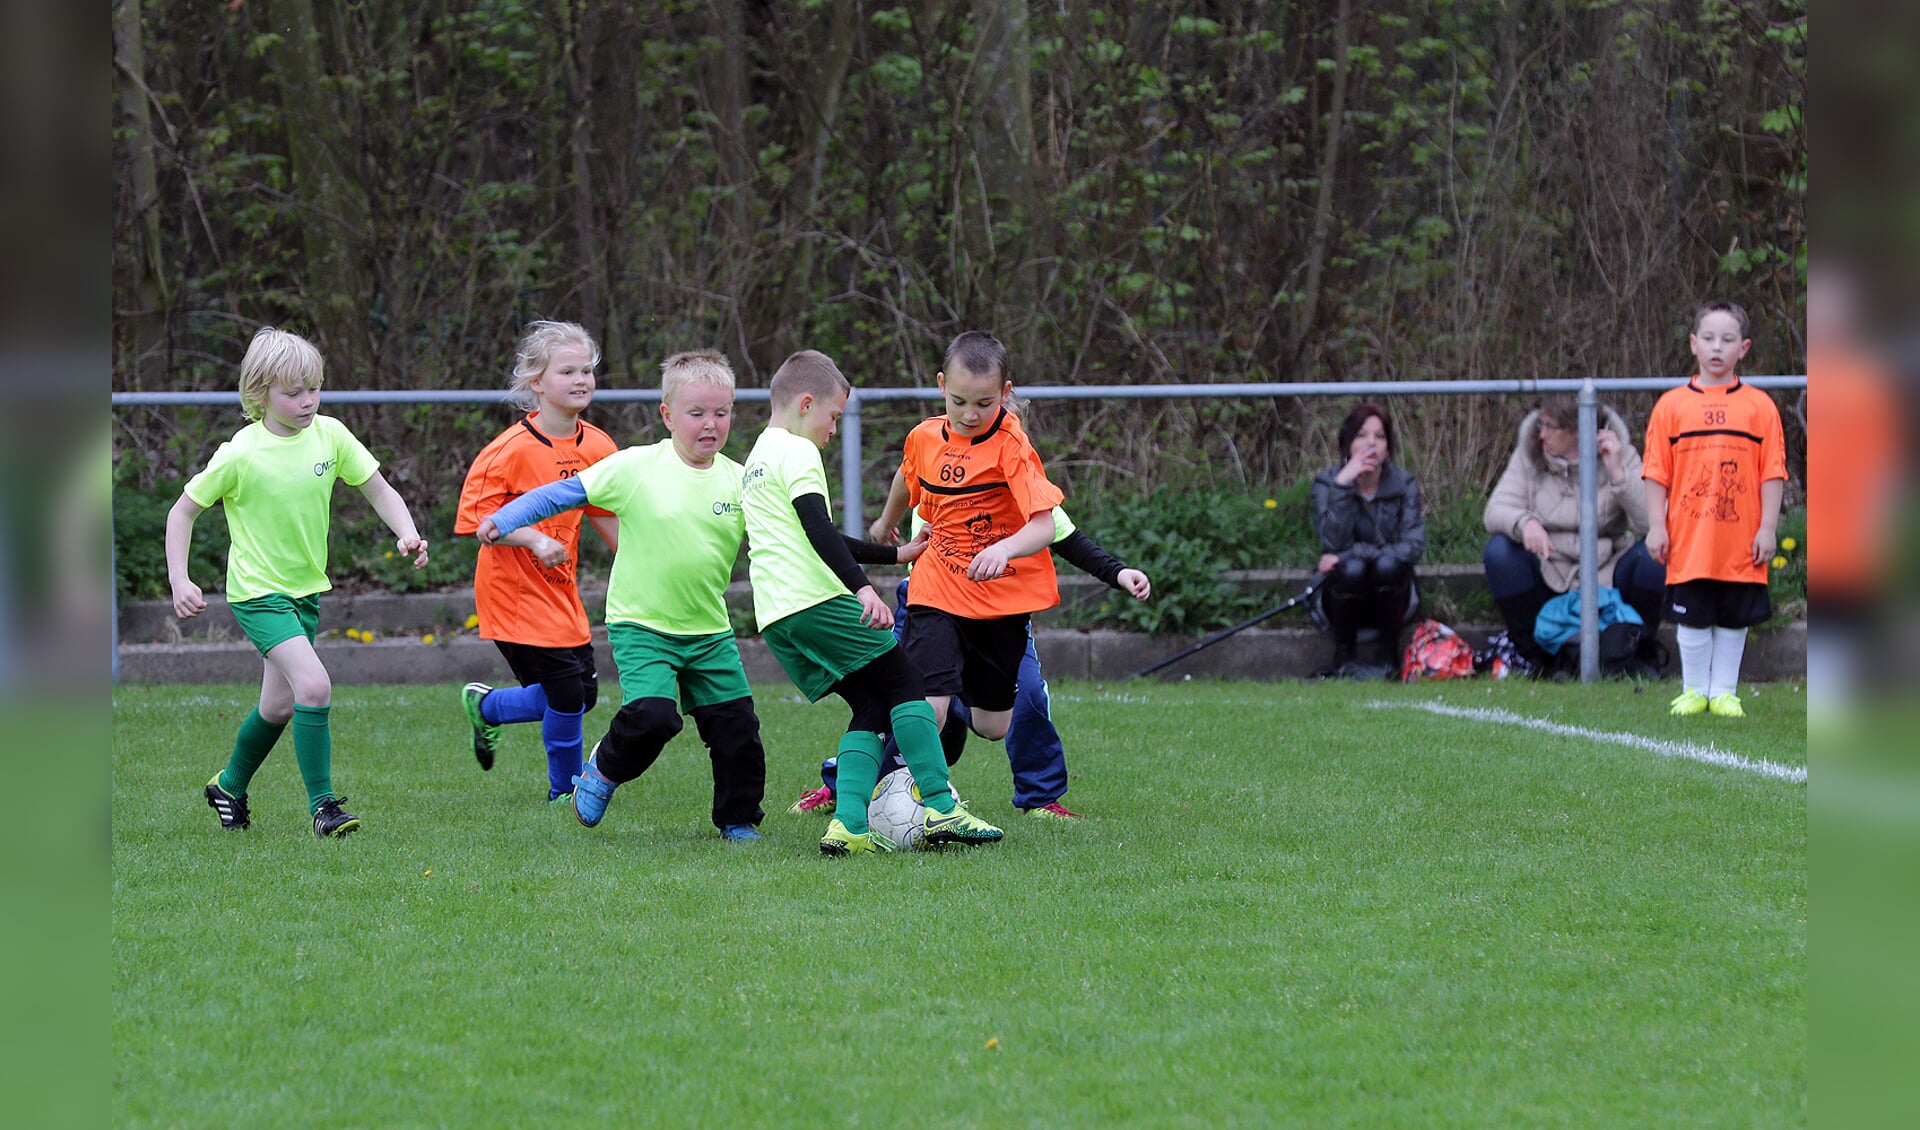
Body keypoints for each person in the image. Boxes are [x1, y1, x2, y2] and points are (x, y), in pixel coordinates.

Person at [478, 351, 769, 841]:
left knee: (738, 730)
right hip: (643, 625)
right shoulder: (636, 467)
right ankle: (603, 770)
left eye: (721, 412)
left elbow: (798, 534)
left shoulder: (740, 481)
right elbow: (559, 495)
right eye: (696, 413)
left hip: (709, 632)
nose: (710, 425)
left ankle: (738, 820)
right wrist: (505, 521)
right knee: (653, 717)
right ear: (668, 414)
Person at [170, 326, 430, 837]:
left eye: (314, 388)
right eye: (293, 392)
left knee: (279, 705)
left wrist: (408, 533)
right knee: (313, 685)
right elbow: (182, 513)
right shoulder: (241, 452)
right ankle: (324, 808)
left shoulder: (331, 435)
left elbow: (378, 489)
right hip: (258, 593)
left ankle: (228, 786)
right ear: (260, 393)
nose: (308, 401)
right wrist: (180, 579)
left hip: (305, 592)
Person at [740, 348, 1003, 855]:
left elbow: (821, 535)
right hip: (815, 601)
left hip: (777, 617)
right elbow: (819, 530)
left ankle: (850, 829)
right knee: (908, 682)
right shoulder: (799, 452)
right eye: (834, 417)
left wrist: (896, 553)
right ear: (806, 403)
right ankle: (943, 810)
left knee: (871, 703)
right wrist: (862, 587)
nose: (834, 429)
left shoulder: (757, 458)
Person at [791, 504, 1151, 819]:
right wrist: (886, 521)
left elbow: (1065, 535)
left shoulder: (1018, 476)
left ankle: (1039, 798)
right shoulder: (936, 455)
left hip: (1000, 615)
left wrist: (1117, 573)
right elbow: (906, 473)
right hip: (932, 605)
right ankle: (845, 786)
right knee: (906, 702)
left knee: (1023, 702)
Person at [454, 321, 619, 804]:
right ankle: (565, 793)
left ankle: (487, 707)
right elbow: (477, 522)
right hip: (513, 593)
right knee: (567, 695)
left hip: (560, 591)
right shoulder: (506, 452)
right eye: (567, 370)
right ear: (536, 383)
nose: (581, 379)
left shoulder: (599, 447)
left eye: (586, 369)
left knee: (581, 698)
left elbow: (607, 517)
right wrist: (532, 540)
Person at [1643, 300, 1787, 718]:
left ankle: (1724, 692)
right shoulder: (1671, 406)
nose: (1716, 347)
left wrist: (1768, 528)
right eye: (1708, 338)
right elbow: (1656, 472)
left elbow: (1772, 473)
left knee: (1732, 614)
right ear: (1693, 344)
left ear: (1744, 348)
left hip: (1741, 536)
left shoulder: (1760, 406)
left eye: (1727, 339)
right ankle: (1694, 692)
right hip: (1689, 535)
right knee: (1693, 614)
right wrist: (1657, 526)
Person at [1481, 394, 1664, 669]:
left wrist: (1619, 476)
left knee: (1655, 556)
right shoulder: (1529, 455)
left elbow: (1653, 524)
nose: (1542, 434)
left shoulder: (1621, 453)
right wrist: (1525, 523)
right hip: (1550, 572)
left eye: (1551, 427)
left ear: (1579, 430)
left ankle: (1636, 649)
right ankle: (1536, 659)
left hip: (1609, 576)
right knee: (1500, 552)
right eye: (1541, 424)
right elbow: (1495, 510)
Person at [1309, 402, 1425, 676]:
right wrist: (1343, 486)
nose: (1370, 444)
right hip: (1341, 597)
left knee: (1385, 565)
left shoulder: (1404, 483)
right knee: (1352, 569)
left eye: (1379, 436)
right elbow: (1332, 546)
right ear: (1348, 442)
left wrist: (1351, 553)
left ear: (1389, 446)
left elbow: (1413, 547)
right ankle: (1344, 655)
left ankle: (1388, 655)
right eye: (1361, 436)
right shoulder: (1327, 484)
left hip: (1392, 593)